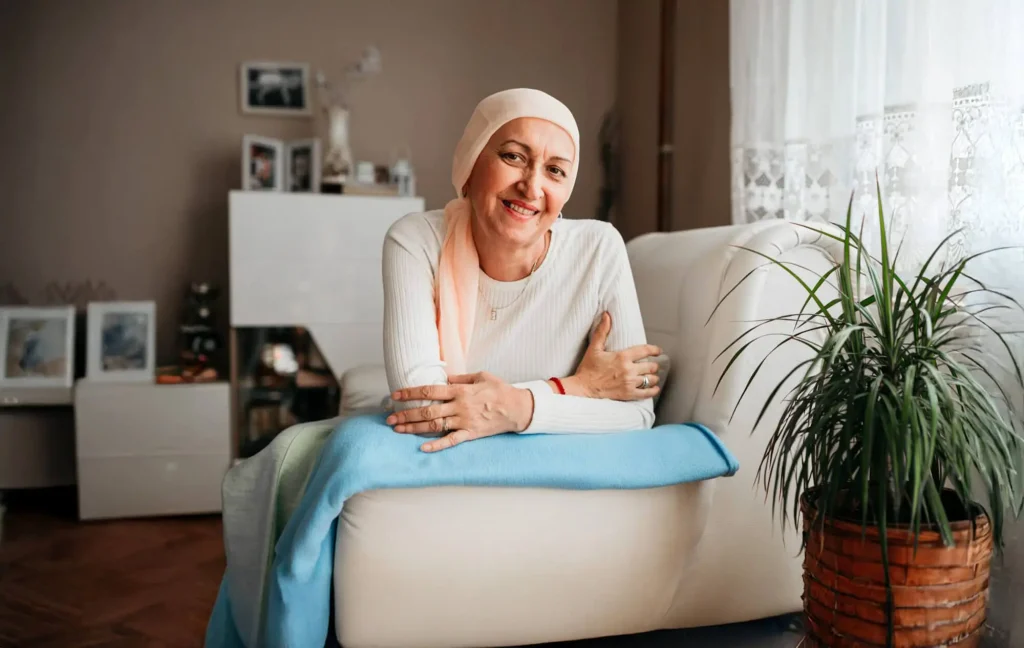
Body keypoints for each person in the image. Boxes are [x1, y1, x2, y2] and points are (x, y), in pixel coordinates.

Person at [381, 88, 664, 453]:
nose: (532, 186)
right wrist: (577, 388)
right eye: (513, 156)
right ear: (470, 162)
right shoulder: (415, 240)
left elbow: (638, 411)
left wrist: (519, 407)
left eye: (555, 171)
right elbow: (420, 408)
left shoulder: (598, 248)